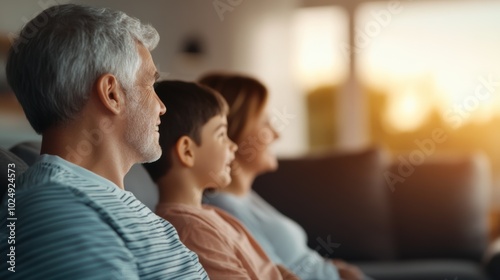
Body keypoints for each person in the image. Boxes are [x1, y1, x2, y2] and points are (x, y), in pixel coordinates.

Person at [0, 4, 208, 279]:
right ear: (111, 94)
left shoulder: (101, 200)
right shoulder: (56, 211)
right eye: (150, 85)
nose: (161, 107)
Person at [199, 72, 369, 280]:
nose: (276, 134)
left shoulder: (244, 197)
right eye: (265, 122)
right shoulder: (224, 209)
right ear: (233, 129)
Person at [143, 80, 299, 279]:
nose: (233, 146)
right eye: (222, 134)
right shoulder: (192, 231)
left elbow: (271, 269)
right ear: (187, 151)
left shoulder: (212, 215)